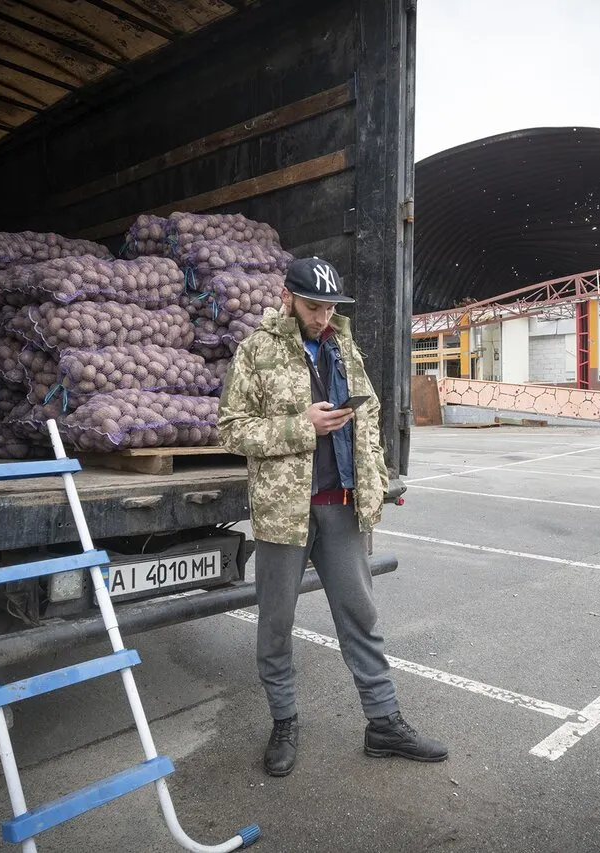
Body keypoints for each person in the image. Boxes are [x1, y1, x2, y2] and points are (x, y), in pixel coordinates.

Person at [218, 256, 448, 777]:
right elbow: (232, 430)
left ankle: (384, 725)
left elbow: (368, 423)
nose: (323, 317)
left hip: (341, 508)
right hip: (284, 514)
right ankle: (284, 723)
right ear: (287, 298)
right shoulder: (256, 351)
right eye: (313, 306)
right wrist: (302, 426)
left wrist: (373, 491)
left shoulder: (343, 347)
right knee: (276, 625)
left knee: (361, 620)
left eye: (329, 307)